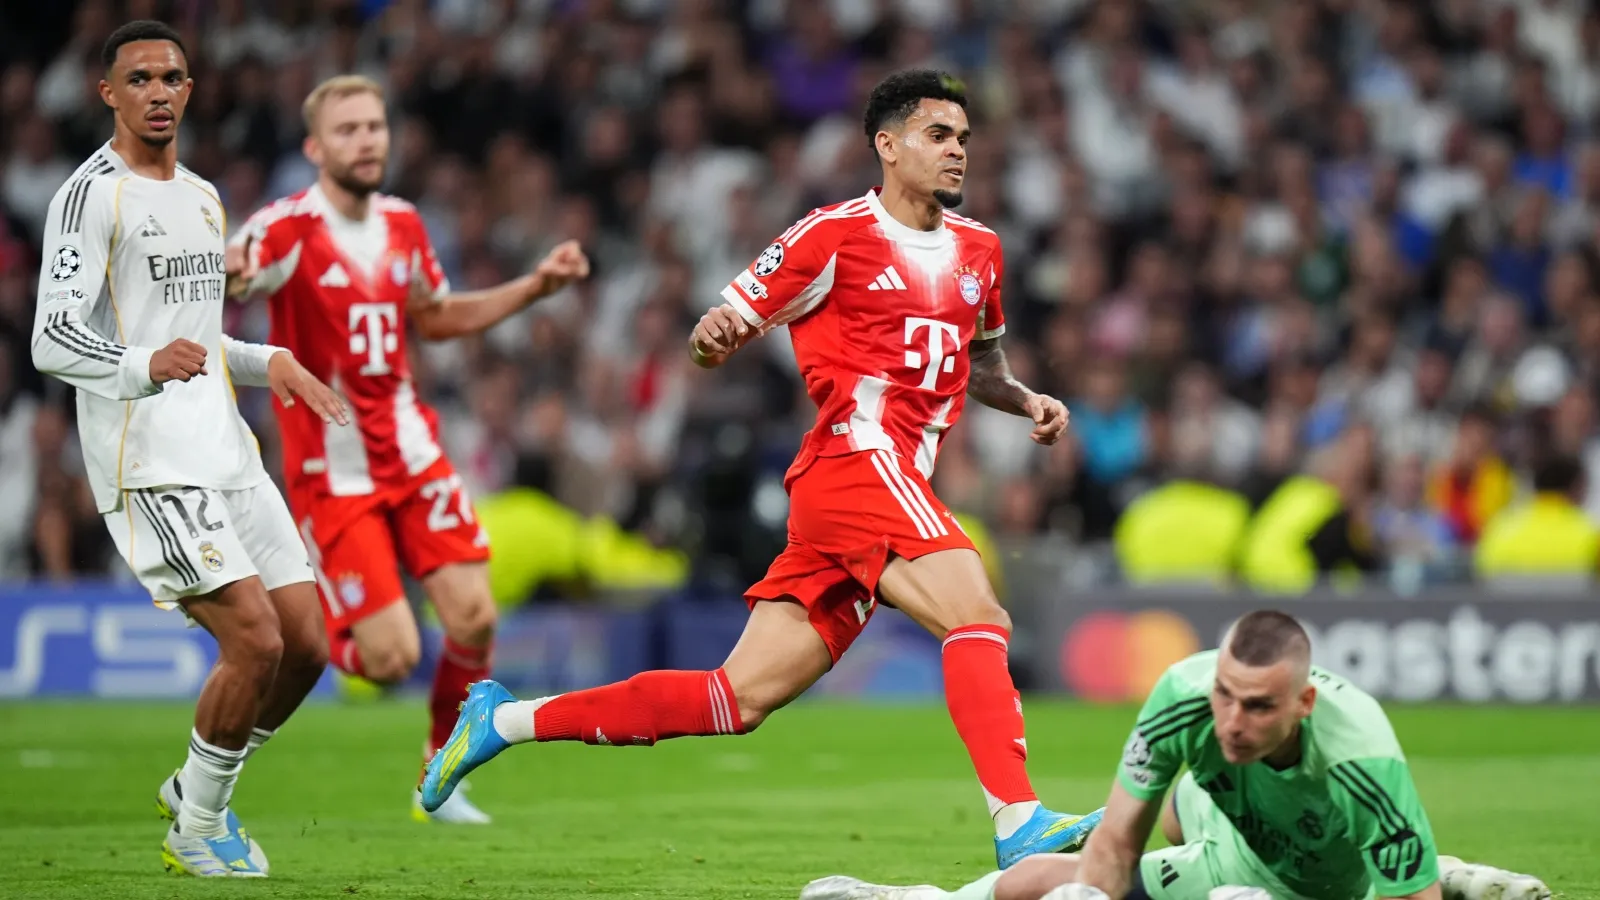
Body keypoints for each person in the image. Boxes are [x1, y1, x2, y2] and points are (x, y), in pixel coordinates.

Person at [422, 68, 1101, 869]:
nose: (957, 151)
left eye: (962, 138)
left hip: (881, 491)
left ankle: (503, 720)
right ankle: (1016, 816)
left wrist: (1026, 400)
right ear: (887, 146)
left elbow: (978, 361)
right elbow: (723, 328)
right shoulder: (830, 235)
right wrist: (711, 338)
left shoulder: (980, 251)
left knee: (733, 698)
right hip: (854, 462)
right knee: (977, 614)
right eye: (937, 135)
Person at [29, 20, 348, 878]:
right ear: (108, 94)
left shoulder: (204, 197)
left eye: (171, 77)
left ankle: (197, 785)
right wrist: (138, 364)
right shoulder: (90, 196)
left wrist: (269, 360)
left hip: (228, 454)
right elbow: (52, 340)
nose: (158, 92)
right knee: (256, 642)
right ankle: (199, 824)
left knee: (309, 645)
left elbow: (197, 340)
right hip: (152, 463)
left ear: (191, 88)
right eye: (138, 80)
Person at [226, 74, 590, 824]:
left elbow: (436, 316)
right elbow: (237, 265)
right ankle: (319, 623)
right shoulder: (287, 228)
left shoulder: (402, 223)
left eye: (375, 126)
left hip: (412, 453)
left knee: (475, 618)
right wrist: (228, 269)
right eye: (349, 129)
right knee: (389, 661)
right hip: (336, 472)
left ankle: (440, 765)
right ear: (315, 147)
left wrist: (532, 288)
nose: (366, 140)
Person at [801, 611, 1552, 900]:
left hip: (1300, 883)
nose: (1231, 720)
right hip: (1220, 821)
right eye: (1226, 694)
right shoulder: (1183, 698)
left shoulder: (1362, 753)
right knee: (1041, 877)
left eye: (1257, 706)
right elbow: (1115, 844)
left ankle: (1443, 870)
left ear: (1304, 705)